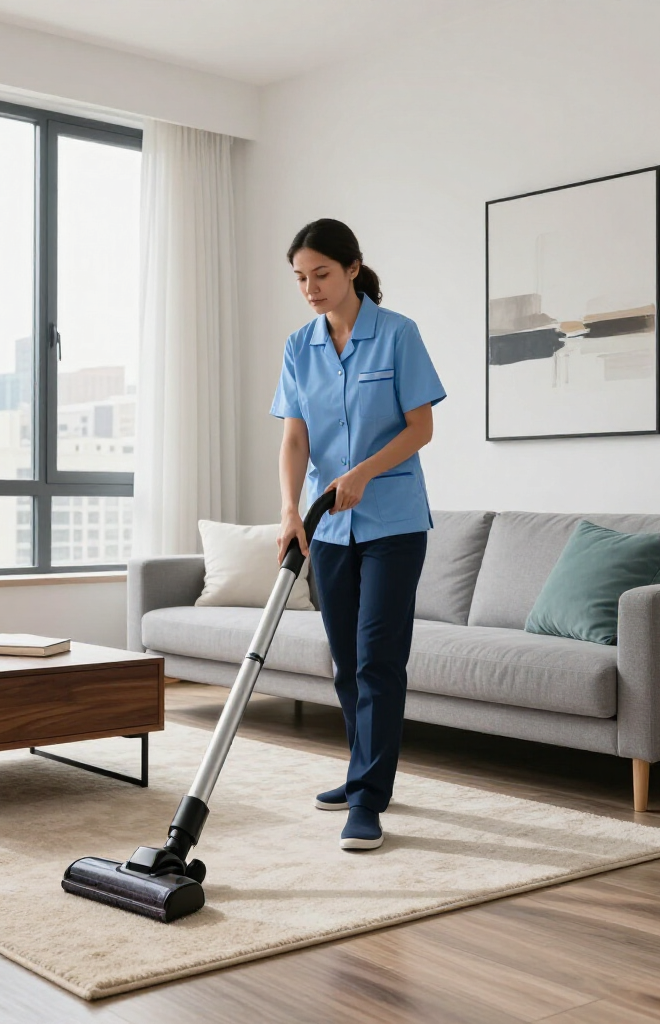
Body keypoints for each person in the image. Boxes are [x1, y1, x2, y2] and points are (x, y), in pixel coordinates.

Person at [271, 219, 446, 851]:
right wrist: (291, 510)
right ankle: (362, 771)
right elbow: (295, 437)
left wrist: (363, 474)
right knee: (345, 660)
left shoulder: (398, 334)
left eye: (321, 274)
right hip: (328, 529)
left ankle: (369, 799)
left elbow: (420, 428)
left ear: (351, 268)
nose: (311, 288)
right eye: (300, 278)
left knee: (378, 658)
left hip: (394, 522)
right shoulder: (300, 346)